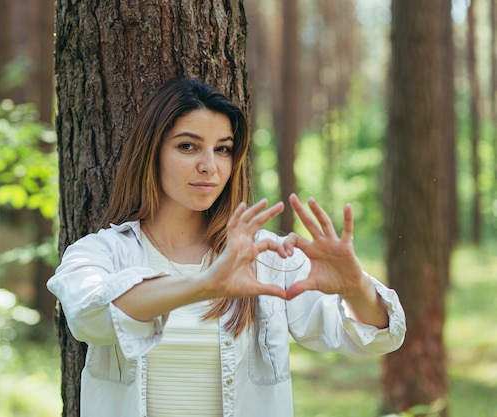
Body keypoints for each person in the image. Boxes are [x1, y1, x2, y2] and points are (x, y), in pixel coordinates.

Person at [47, 77, 406, 417]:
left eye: (223, 150)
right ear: (151, 152)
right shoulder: (101, 252)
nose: (209, 166)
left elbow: (375, 338)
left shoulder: (265, 256)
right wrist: (205, 284)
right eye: (187, 146)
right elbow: (87, 316)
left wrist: (354, 285)